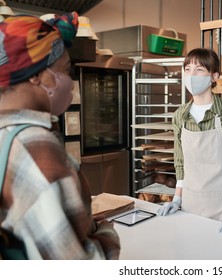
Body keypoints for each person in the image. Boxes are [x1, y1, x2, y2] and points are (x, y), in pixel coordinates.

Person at [0, 13, 120, 259]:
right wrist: (108, 234)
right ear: (35, 74)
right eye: (65, 70)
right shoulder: (34, 147)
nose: (71, 83)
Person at [157, 48, 222, 234]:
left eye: (199, 70)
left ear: (214, 76)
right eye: (187, 69)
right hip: (190, 208)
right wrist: (177, 199)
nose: (191, 75)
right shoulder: (180, 116)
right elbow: (181, 164)